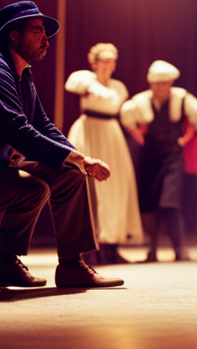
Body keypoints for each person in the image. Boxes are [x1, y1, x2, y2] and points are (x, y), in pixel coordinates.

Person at [0, 0, 123, 288]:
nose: (46, 40)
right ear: (13, 35)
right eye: (37, 31)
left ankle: (72, 265)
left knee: (69, 174)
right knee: (33, 188)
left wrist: (79, 159)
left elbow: (41, 124)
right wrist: (77, 159)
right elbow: (18, 131)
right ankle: (7, 262)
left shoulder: (21, 73)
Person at [120, 60, 197, 262]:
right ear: (151, 84)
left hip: (173, 156)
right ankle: (152, 250)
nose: (161, 87)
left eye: (165, 83)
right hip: (150, 157)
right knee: (151, 203)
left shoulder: (181, 98)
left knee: (170, 202)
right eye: (157, 83)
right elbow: (127, 119)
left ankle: (180, 249)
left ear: (171, 83)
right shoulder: (141, 101)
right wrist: (138, 135)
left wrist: (188, 137)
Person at [65, 43, 143, 264]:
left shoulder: (117, 86)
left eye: (113, 61)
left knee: (115, 189)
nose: (110, 66)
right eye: (105, 61)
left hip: (110, 134)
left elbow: (112, 99)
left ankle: (112, 245)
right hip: (88, 131)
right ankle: (91, 248)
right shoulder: (85, 79)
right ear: (96, 63)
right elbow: (72, 84)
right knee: (90, 190)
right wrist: (90, 84)